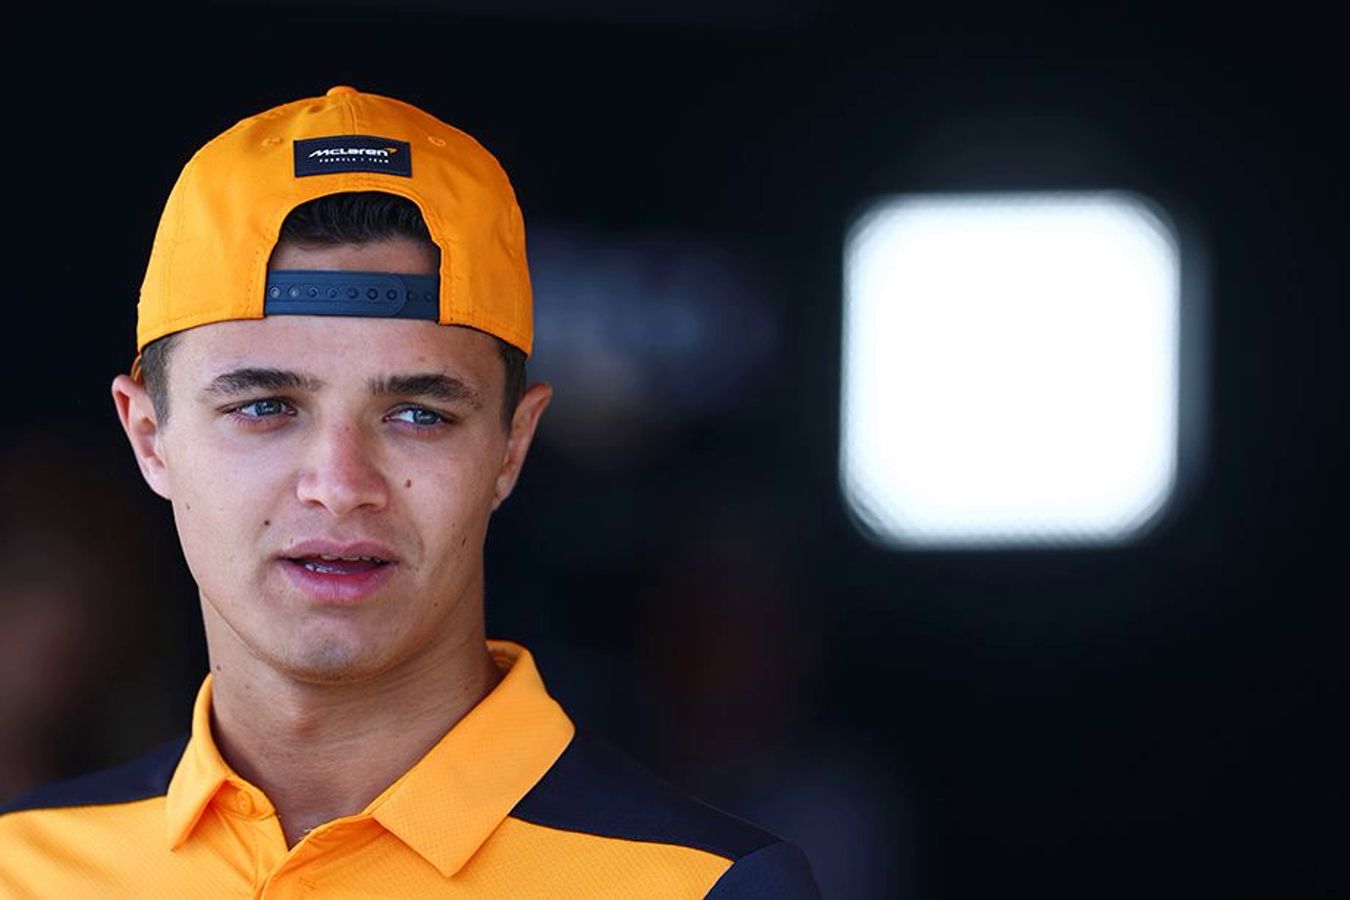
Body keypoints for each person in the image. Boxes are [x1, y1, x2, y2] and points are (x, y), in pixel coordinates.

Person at [0, 86, 819, 898]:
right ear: (150, 437)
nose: (339, 486)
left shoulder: (700, 888)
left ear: (512, 446)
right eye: (264, 407)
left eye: (419, 414)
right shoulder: (19, 867)